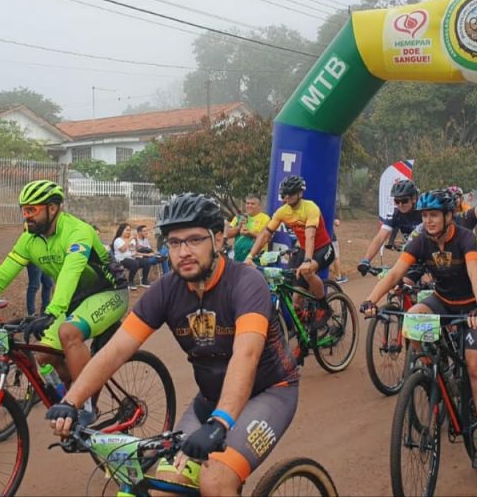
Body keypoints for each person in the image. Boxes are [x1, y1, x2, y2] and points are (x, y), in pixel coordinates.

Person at [46, 193, 299, 496]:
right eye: (174, 242)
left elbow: (246, 355)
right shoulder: (166, 289)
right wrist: (71, 402)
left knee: (215, 480)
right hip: (210, 398)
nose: (183, 252)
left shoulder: (246, 282)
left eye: (194, 240)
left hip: (269, 391)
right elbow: (115, 351)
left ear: (218, 240)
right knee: (168, 487)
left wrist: (221, 421)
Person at [358, 190, 477, 470]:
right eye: (424, 215)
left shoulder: (465, 237)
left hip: (472, 306)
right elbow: (396, 273)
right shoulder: (421, 241)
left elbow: (473, 272)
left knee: (475, 366)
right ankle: (429, 367)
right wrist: (372, 300)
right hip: (443, 301)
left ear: (448, 216)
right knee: (413, 316)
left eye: (434, 215)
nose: (428, 220)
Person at [0, 180, 128, 387]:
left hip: (109, 293)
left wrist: (52, 312)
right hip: (75, 299)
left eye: (32, 210)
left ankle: (85, 408)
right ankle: (71, 393)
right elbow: (3, 274)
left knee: (69, 333)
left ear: (52, 208)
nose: (26, 216)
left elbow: (71, 270)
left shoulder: (78, 231)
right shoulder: (29, 238)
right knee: (44, 356)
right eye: (24, 210)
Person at [245, 176, 334, 310]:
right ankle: (303, 327)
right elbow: (265, 234)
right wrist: (250, 256)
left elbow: (310, 235)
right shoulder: (283, 212)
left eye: (291, 193)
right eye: (284, 194)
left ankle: (323, 306)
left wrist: (307, 260)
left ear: (300, 193)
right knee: (296, 299)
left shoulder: (310, 208)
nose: (287, 197)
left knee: (307, 272)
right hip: (304, 249)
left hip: (323, 248)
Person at [358, 179, 420, 276]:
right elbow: (380, 238)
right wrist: (366, 260)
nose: (400, 204)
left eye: (404, 201)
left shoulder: (424, 212)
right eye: (397, 201)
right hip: (410, 254)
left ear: (414, 198)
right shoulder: (395, 213)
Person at [225, 194, 270, 262]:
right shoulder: (239, 217)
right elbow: (227, 234)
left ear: (259, 206)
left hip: (257, 260)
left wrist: (249, 233)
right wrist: (239, 227)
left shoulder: (265, 218)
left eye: (252, 204)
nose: (249, 206)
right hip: (238, 258)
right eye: (247, 203)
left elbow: (266, 238)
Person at [112, 222, 146, 290]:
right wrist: (129, 240)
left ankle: (144, 281)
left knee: (146, 262)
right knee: (135, 263)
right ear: (122, 230)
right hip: (121, 259)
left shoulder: (132, 239)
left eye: (129, 230)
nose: (128, 232)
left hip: (131, 257)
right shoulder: (118, 240)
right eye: (127, 230)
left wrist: (136, 240)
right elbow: (122, 250)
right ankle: (130, 282)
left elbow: (137, 249)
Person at [329, 218, 347, 283]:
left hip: (319, 238)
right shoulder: (330, 210)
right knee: (336, 257)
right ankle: (338, 277)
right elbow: (337, 223)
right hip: (331, 237)